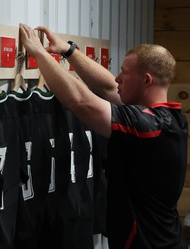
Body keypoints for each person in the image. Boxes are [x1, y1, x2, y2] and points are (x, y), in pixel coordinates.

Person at [19, 23, 188, 249]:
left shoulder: (150, 126)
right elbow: (108, 87)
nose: (118, 78)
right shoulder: (165, 118)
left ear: (146, 80)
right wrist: (67, 50)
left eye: (125, 73)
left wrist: (39, 53)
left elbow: (81, 102)